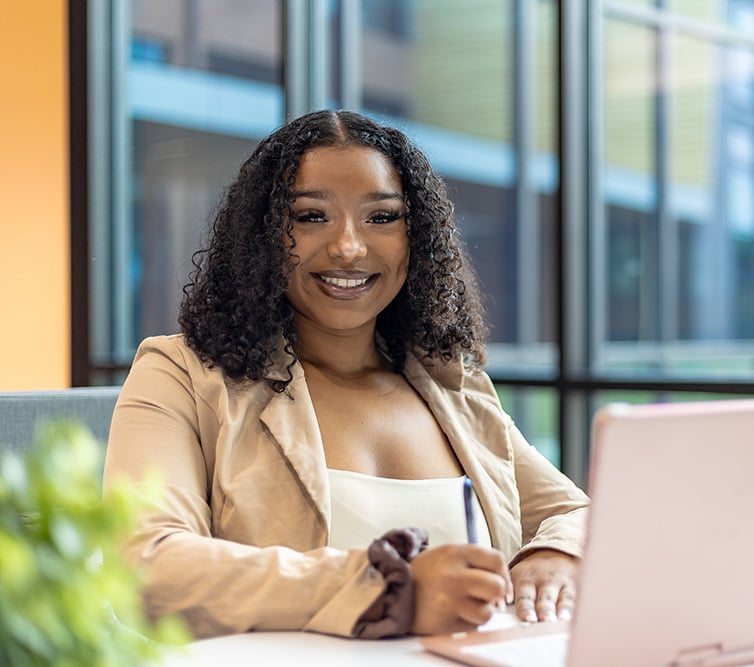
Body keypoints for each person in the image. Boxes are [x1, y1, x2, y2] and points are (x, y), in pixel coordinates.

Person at [103, 109, 589, 640]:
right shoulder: (181, 374)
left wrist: (554, 551)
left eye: (382, 217)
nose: (349, 247)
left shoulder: (452, 383)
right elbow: (146, 564)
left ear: (416, 237)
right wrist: (388, 591)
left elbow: (578, 512)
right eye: (311, 216)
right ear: (263, 235)